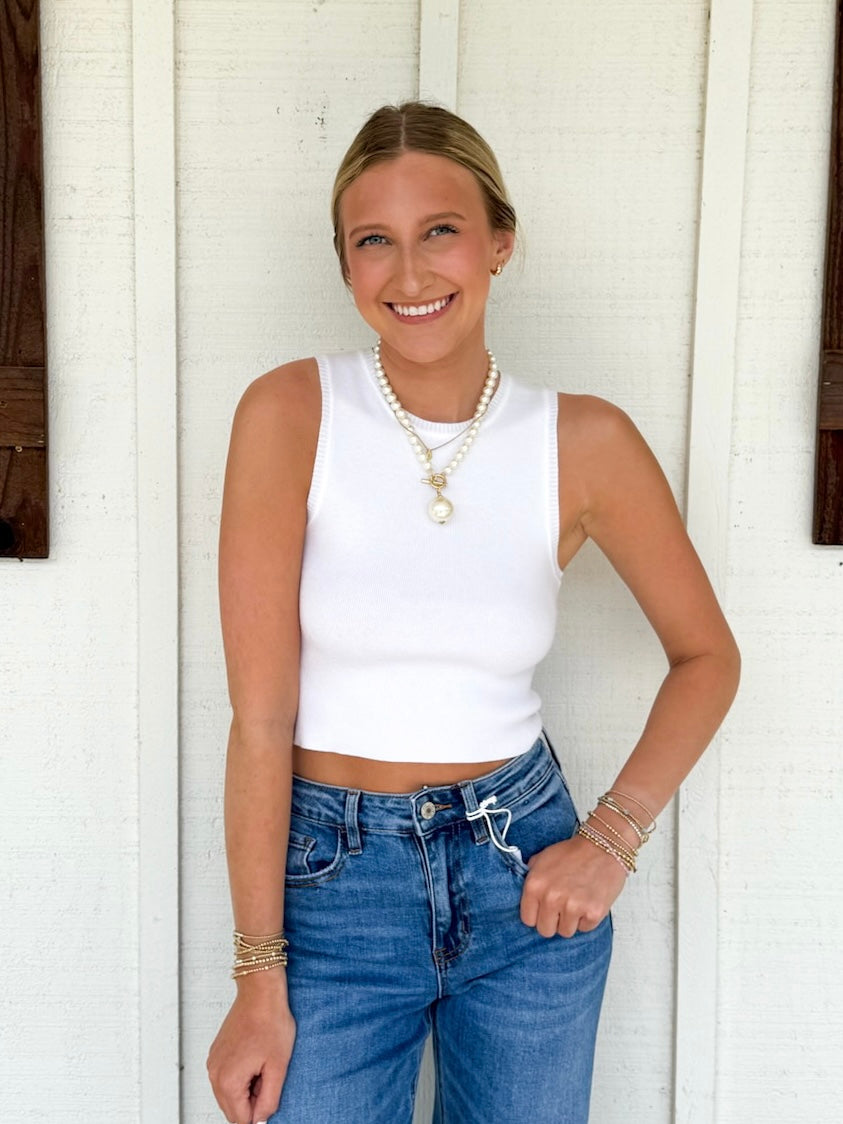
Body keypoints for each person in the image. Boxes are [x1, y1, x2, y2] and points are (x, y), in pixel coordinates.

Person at [206, 101, 740, 1124]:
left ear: (499, 241)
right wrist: (257, 975)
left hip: (520, 877)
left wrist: (611, 838)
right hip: (330, 885)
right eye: (374, 240)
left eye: (440, 230)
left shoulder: (583, 442)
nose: (409, 273)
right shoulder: (290, 413)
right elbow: (261, 717)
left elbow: (708, 655)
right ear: (345, 263)